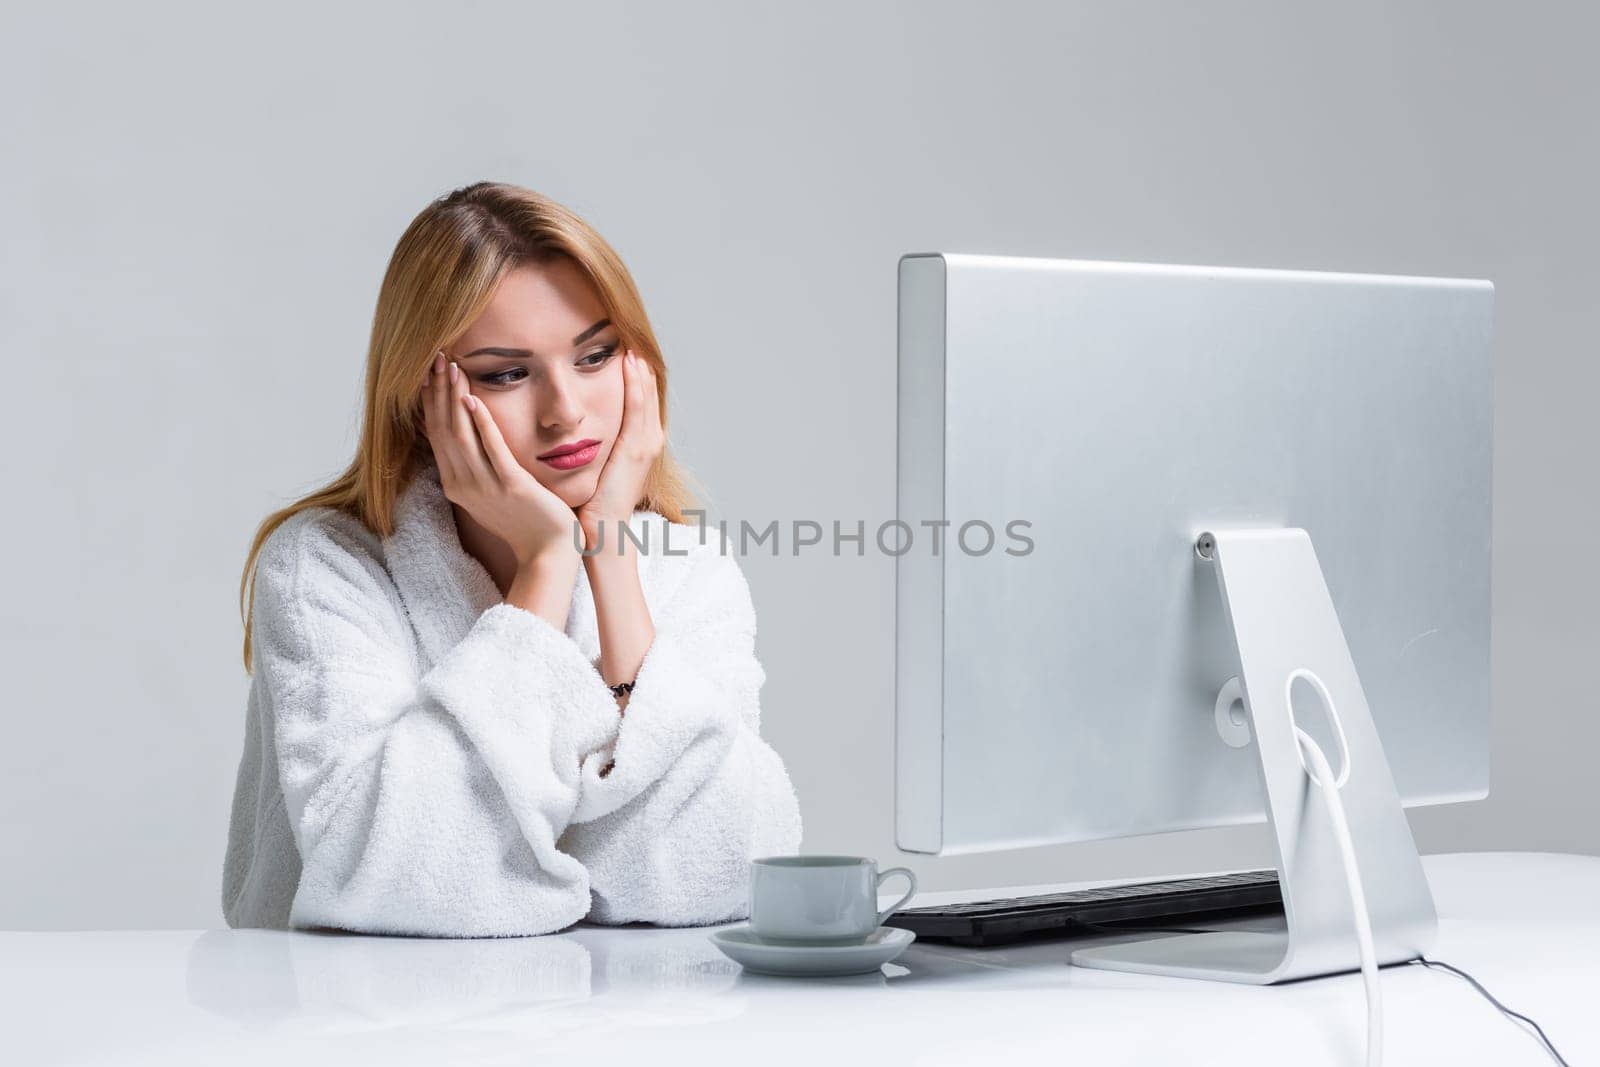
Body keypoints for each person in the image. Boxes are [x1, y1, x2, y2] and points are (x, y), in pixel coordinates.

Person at [220, 181, 804, 937]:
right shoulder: (324, 569)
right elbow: (393, 881)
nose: (565, 410)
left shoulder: (686, 567)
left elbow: (721, 869)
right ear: (420, 401)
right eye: (506, 373)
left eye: (594, 355)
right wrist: (545, 566)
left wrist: (611, 558)